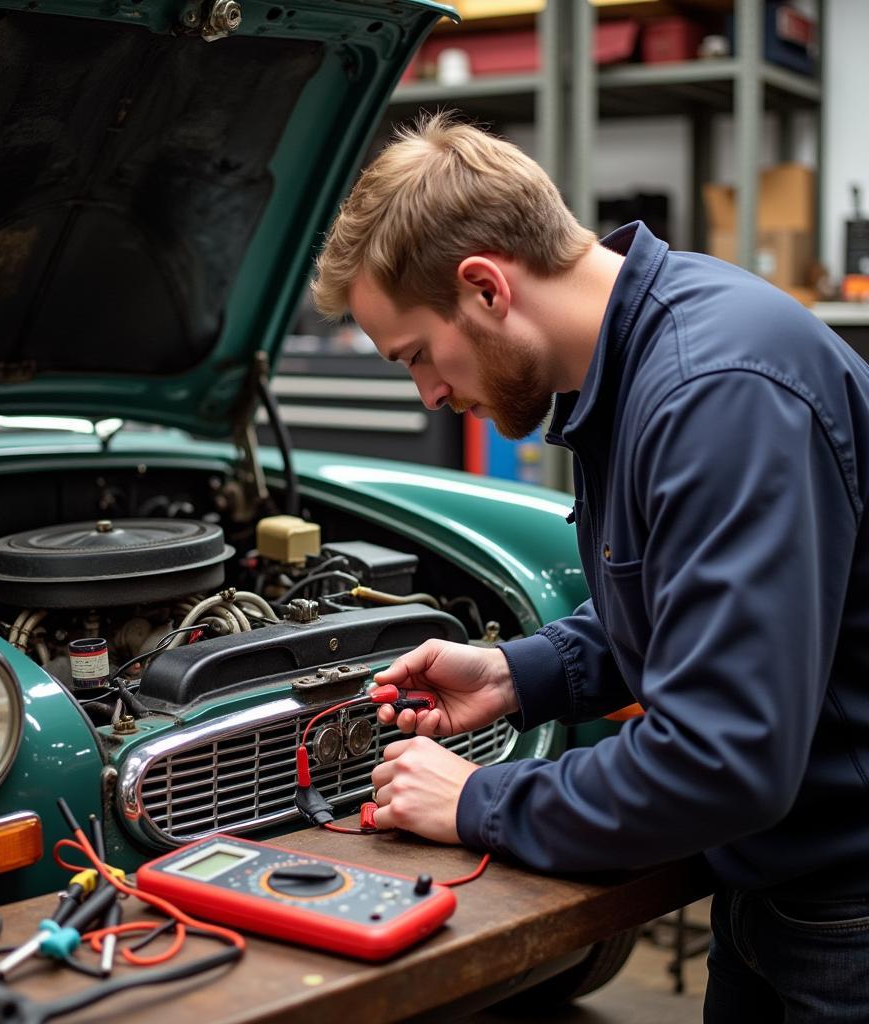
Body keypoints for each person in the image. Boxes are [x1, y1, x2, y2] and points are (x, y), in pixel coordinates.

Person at [310, 113, 869, 1022]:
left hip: (845, 915)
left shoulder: (714, 392)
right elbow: (680, 608)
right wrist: (517, 675)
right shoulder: (634, 364)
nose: (430, 394)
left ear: (485, 286)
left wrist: (480, 799)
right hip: (777, 891)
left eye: (416, 355)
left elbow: (723, 761)